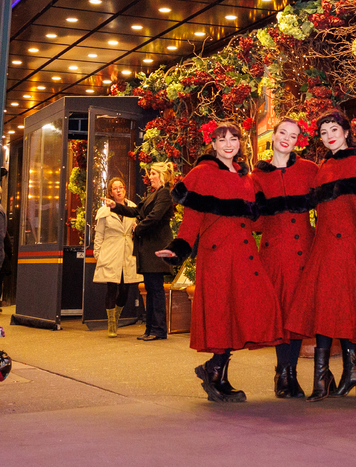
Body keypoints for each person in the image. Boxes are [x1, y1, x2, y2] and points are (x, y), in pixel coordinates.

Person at [156, 122, 283, 403]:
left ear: (240, 143)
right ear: (212, 144)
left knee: (257, 305)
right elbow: (192, 219)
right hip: (219, 256)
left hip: (246, 253)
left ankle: (214, 369)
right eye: (221, 139)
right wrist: (178, 247)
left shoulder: (246, 177)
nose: (228, 144)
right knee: (222, 313)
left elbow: (257, 223)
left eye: (233, 139)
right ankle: (217, 374)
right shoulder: (202, 173)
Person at [286, 110, 356, 401]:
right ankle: (351, 373)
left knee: (329, 308)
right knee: (336, 308)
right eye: (323, 133)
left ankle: (323, 381)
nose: (329, 136)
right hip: (325, 246)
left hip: (345, 246)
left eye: (334, 129)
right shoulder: (327, 164)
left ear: (346, 131)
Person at [252, 118, 317, 398]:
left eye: (293, 135)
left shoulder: (309, 170)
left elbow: (327, 206)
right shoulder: (257, 175)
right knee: (281, 312)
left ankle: (289, 373)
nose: (286, 139)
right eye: (282, 133)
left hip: (304, 249)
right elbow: (254, 222)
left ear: (298, 141)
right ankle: (284, 372)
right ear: (274, 136)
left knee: (298, 312)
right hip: (274, 252)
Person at [107, 162, 174, 341]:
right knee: (151, 289)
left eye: (152, 173)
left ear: (161, 175)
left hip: (157, 247)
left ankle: (159, 330)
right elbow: (136, 210)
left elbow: (154, 218)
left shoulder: (165, 193)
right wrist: (116, 207)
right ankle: (150, 328)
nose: (149, 177)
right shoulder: (153, 194)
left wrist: (137, 229)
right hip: (148, 248)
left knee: (156, 289)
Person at [94, 177, 143, 337]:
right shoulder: (104, 211)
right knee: (111, 287)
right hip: (110, 251)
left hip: (128, 251)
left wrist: (137, 228)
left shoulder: (134, 208)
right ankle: (111, 324)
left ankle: (116, 316)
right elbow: (99, 234)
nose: (119, 190)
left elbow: (140, 229)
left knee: (125, 289)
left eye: (121, 187)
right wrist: (98, 253)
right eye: (115, 188)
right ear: (110, 192)